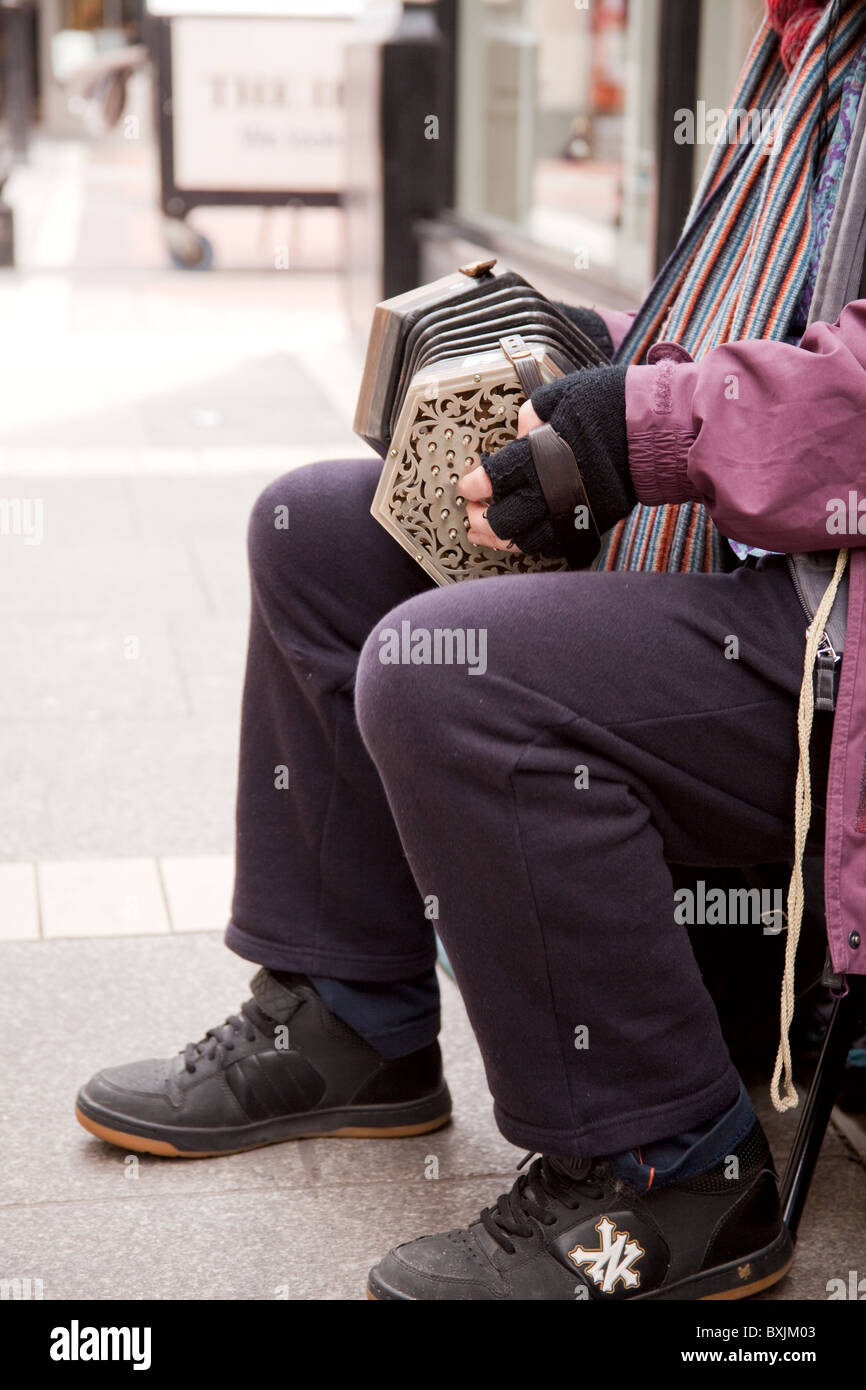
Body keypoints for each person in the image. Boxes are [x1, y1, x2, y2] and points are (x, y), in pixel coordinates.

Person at [76, 0, 866, 1300]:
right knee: (317, 528)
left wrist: (643, 430)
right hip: (741, 556)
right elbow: (752, 336)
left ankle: (665, 1169)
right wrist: (582, 363)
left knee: (450, 675)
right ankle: (354, 1019)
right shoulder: (802, 50)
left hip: (824, 627)